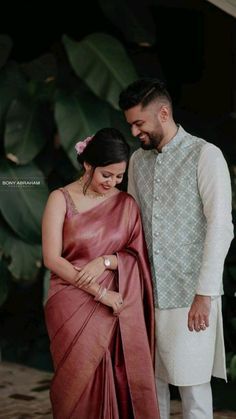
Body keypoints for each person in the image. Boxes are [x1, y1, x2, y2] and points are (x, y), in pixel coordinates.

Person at [119, 78, 234, 419]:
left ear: (164, 113)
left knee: (193, 386)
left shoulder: (205, 154)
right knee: (150, 385)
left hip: (191, 294)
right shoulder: (139, 162)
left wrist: (205, 293)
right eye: (131, 125)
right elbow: (134, 223)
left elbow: (221, 227)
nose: (135, 132)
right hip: (148, 291)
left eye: (139, 123)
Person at [42, 127, 160, 419]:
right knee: (76, 386)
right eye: (106, 174)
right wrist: (101, 293)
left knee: (116, 376)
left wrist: (106, 262)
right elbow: (51, 259)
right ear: (87, 164)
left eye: (119, 177)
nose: (113, 183)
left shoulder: (126, 204)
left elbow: (137, 257)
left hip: (118, 304)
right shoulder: (60, 199)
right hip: (71, 302)